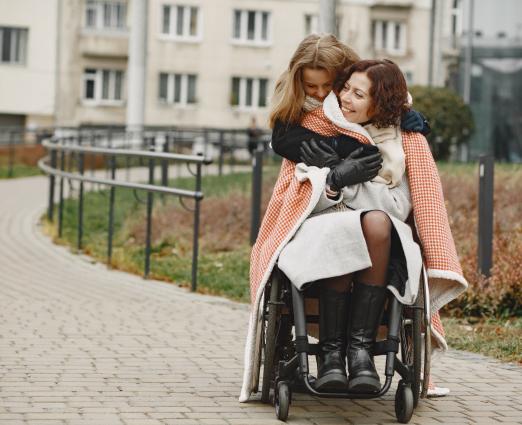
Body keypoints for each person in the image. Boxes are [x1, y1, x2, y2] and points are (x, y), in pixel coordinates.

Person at [239, 35, 467, 403]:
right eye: (313, 86)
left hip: (380, 229)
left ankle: (358, 354)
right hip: (323, 225)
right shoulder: (304, 119)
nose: (326, 95)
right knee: (348, 225)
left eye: (333, 86)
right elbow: (297, 188)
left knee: (374, 222)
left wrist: (389, 137)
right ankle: (333, 354)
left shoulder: (397, 134)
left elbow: (403, 201)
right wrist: (336, 175)